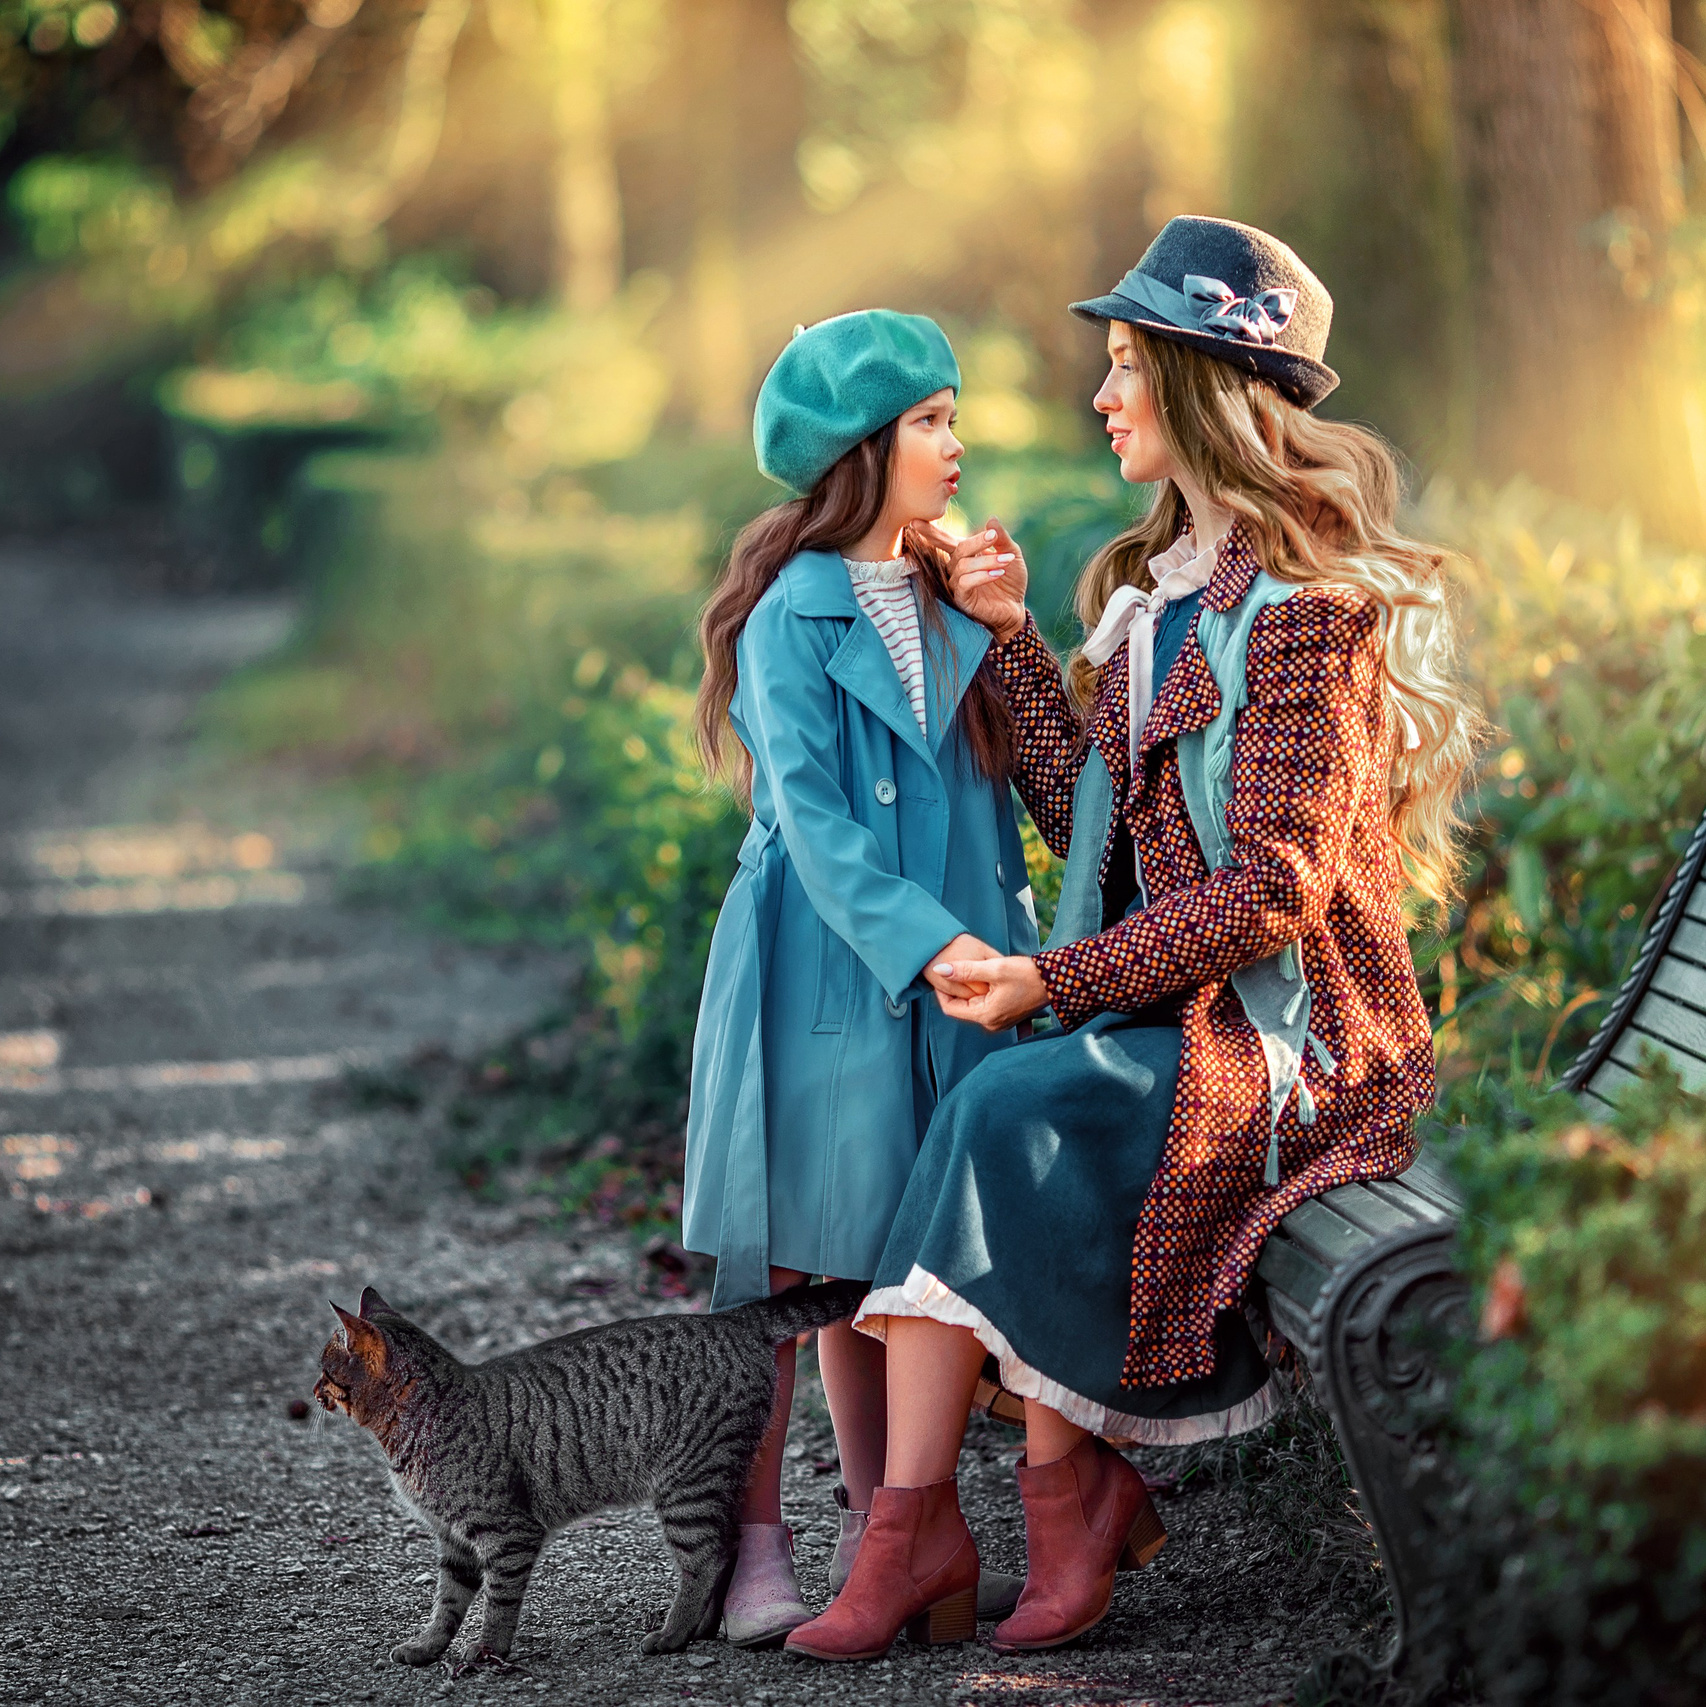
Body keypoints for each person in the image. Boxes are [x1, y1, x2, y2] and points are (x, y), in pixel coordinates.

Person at [784, 216, 1481, 1663]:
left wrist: (1050, 979)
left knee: (1015, 1093)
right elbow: (1082, 822)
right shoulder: (1164, 602)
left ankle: (1013, 1511)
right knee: (1007, 1097)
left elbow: (1273, 891)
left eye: (1123, 368)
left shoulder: (1304, 617)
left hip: (1297, 1038)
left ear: (1200, 388)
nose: (1101, 399)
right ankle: (972, 1519)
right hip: (1178, 1014)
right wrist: (1011, 634)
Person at [684, 310, 1038, 1647]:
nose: (958, 444)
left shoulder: (956, 594)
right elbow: (817, 828)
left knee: (889, 1251)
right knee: (793, 1266)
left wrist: (1006, 630)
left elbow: (1022, 787)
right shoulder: (790, 615)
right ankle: (754, 1549)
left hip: (950, 967)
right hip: (817, 962)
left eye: (954, 417)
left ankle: (886, 1536)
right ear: (862, 448)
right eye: (932, 421)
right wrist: (927, 939)